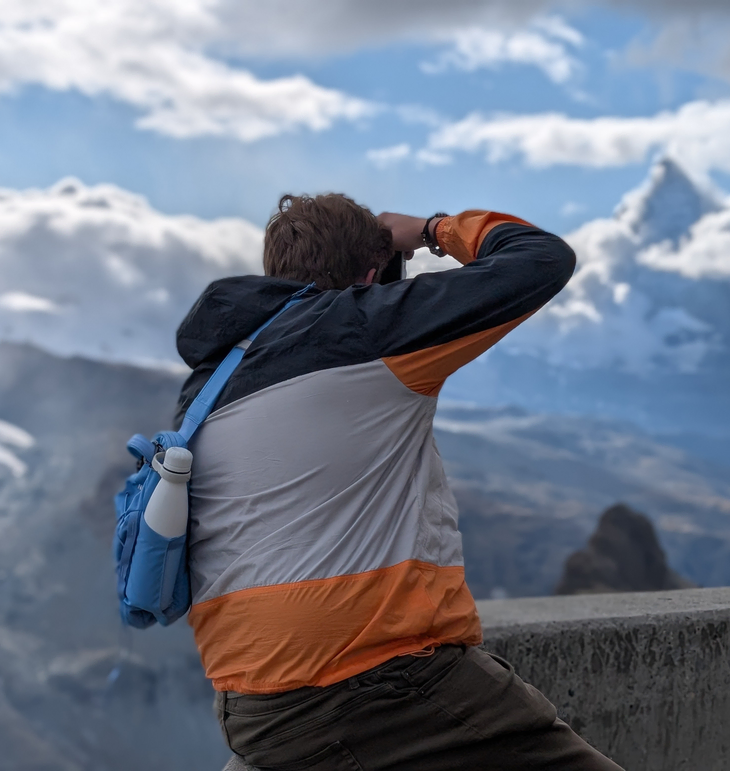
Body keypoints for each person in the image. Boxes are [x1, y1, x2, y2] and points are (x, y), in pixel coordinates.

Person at [173, 193, 623, 770]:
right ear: (368, 276)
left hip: (251, 708)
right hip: (372, 682)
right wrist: (433, 230)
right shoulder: (368, 326)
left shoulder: (208, 383)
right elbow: (540, 257)